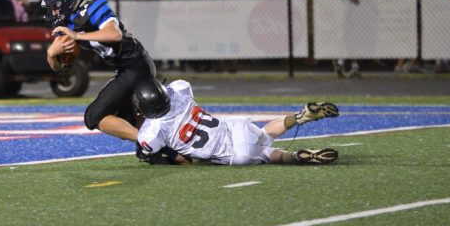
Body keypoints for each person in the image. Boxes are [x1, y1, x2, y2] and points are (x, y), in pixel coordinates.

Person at [43, 0, 156, 141]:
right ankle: (164, 150)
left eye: (56, 7)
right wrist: (51, 54)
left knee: (93, 116)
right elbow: (58, 68)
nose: (54, 12)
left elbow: (114, 35)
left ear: (68, 0)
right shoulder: (67, 23)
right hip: (125, 71)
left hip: (136, 65)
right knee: (128, 120)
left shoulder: (93, 6)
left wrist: (77, 36)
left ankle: (149, 143)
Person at [133, 78, 340, 165]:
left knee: (269, 155)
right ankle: (298, 117)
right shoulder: (180, 90)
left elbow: (148, 150)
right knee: (263, 134)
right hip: (235, 127)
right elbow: (175, 86)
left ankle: (295, 156)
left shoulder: (151, 131)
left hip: (232, 154)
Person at [330, 0, 371, 78]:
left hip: (359, 11)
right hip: (344, 11)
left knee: (356, 38)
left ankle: (354, 65)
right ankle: (340, 63)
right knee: (344, 37)